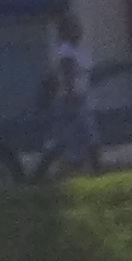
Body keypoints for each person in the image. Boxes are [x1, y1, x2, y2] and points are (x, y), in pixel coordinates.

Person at [44, 12, 99, 175]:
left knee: (76, 138)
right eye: (74, 28)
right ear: (66, 31)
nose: (78, 31)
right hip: (72, 102)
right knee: (83, 137)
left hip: (79, 100)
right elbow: (67, 73)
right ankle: (91, 171)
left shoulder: (78, 50)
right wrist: (71, 95)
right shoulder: (66, 51)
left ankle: (84, 169)